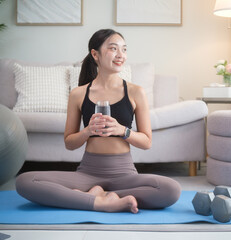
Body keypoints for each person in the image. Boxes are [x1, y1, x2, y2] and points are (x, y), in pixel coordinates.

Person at [16, 29, 181, 214]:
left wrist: (122, 130)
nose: (121, 55)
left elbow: (147, 142)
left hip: (124, 174)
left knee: (171, 190)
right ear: (95, 54)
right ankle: (102, 202)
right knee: (25, 182)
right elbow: (69, 143)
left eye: (124, 50)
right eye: (113, 49)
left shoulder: (136, 92)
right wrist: (87, 131)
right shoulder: (78, 94)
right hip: (87, 173)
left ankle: (95, 195)